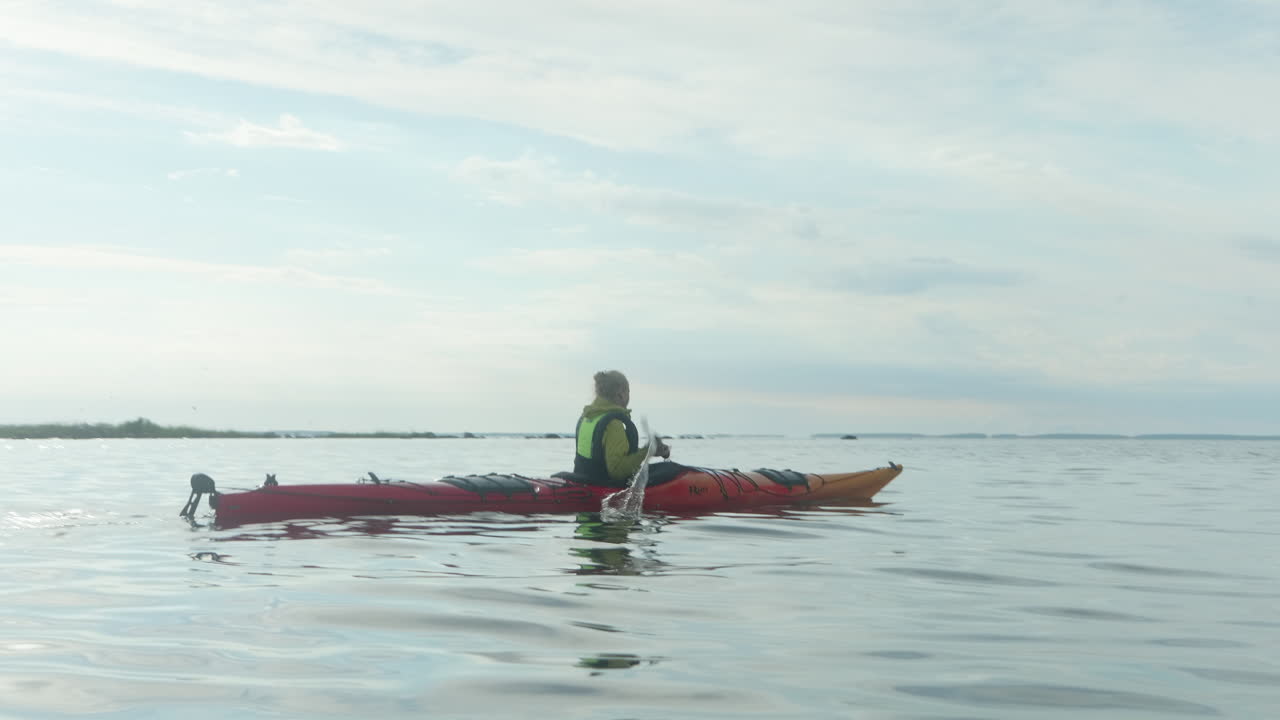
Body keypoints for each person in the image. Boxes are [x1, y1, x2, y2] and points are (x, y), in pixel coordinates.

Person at [573, 370, 670, 487]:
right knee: (670, 470)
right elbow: (617, 471)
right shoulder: (613, 424)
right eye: (628, 391)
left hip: (585, 481)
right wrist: (647, 451)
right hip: (606, 487)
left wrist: (649, 451)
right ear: (621, 393)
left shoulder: (587, 418)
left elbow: (604, 456)